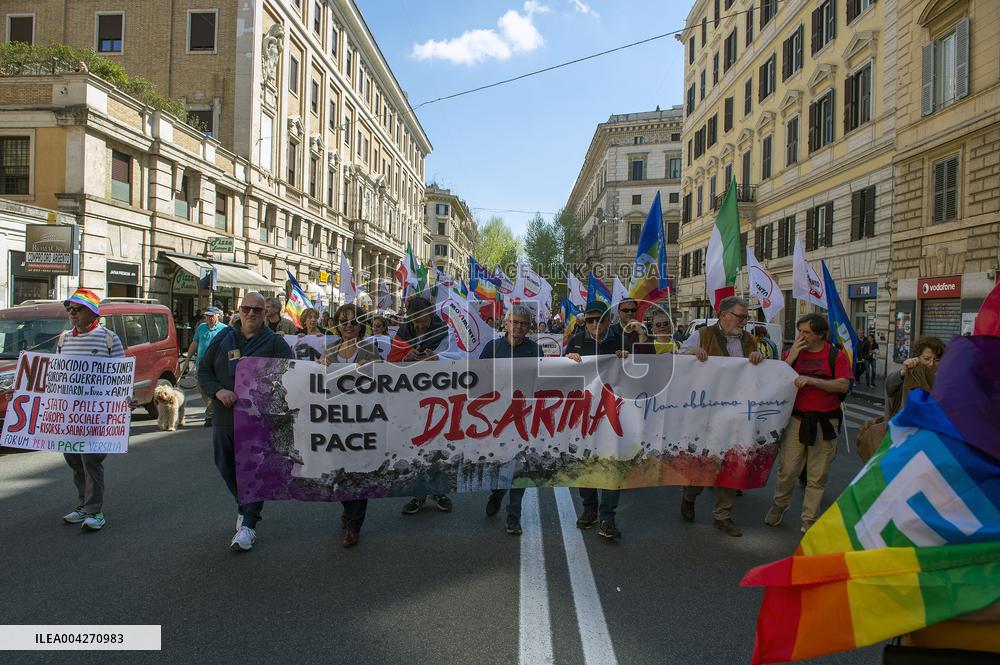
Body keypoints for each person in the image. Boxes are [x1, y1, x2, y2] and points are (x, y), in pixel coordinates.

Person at [198, 292, 294, 552]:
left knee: (252, 469)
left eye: (257, 310)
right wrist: (218, 391)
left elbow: (292, 372)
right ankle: (244, 504)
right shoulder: (223, 337)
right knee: (225, 463)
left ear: (266, 313)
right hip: (225, 415)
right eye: (246, 309)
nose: (251, 314)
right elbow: (204, 371)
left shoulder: (274, 342)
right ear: (239, 311)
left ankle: (249, 524)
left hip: (257, 419)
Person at [678, 296, 765, 537]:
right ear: (724, 314)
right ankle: (689, 494)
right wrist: (693, 353)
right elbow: (679, 358)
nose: (744, 321)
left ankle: (723, 516)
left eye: (746, 317)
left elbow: (760, 370)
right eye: (740, 316)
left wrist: (758, 358)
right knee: (702, 461)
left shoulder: (749, 340)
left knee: (732, 461)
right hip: (707, 411)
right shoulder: (702, 334)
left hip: (737, 413)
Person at [764, 313, 852, 534]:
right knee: (788, 470)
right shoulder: (793, 353)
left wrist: (812, 381)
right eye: (800, 331)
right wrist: (791, 357)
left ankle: (809, 519)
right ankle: (779, 505)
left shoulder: (836, 355)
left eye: (806, 332)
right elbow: (776, 380)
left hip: (825, 422)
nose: (800, 336)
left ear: (821, 334)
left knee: (817, 474)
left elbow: (842, 385)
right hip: (796, 419)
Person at [58, 288, 126, 532]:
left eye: (77, 309)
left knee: (91, 461)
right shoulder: (64, 339)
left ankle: (95, 511)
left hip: (97, 414)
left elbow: (120, 376)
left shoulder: (109, 339)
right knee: (73, 459)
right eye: (70, 309)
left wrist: (125, 401)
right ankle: (82, 505)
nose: (72, 314)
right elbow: (55, 376)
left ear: (92, 313)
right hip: (69, 414)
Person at [565, 300, 629, 540]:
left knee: (612, 463)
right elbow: (561, 374)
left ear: (608, 320)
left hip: (614, 414)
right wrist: (568, 358)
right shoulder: (577, 341)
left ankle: (608, 517)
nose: (595, 324)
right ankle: (589, 509)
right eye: (590, 319)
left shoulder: (621, 340)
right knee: (585, 462)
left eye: (600, 319)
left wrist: (628, 357)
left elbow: (640, 372)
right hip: (583, 413)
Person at [479, 304, 543, 536]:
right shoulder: (491, 347)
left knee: (521, 467)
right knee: (500, 465)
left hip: (523, 418)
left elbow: (543, 381)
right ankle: (497, 492)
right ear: (505, 323)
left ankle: (513, 516)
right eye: (514, 322)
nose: (518, 327)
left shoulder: (536, 350)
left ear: (529, 327)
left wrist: (571, 360)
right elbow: (479, 380)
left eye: (523, 323)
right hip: (495, 420)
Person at [322, 303, 382, 547]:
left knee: (359, 471)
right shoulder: (328, 352)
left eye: (354, 322)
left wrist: (370, 370)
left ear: (361, 326)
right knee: (340, 471)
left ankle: (355, 525)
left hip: (362, 422)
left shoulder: (369, 351)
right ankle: (347, 506)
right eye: (343, 321)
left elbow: (384, 380)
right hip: (334, 423)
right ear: (337, 324)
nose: (348, 326)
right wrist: (317, 369)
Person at [392, 297, 454, 515]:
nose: (420, 326)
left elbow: (458, 356)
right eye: (416, 322)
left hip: (438, 396)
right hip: (411, 397)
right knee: (415, 445)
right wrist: (405, 358)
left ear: (432, 316)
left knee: (437, 444)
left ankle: (439, 491)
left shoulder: (444, 330)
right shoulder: (402, 332)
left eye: (424, 322)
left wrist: (438, 358)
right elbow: (391, 362)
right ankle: (418, 494)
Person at [180, 306, 228, 427]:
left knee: (214, 389)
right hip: (201, 364)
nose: (209, 318)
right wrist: (187, 360)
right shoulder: (201, 328)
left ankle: (210, 415)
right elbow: (195, 343)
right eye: (207, 316)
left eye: (211, 316)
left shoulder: (225, 329)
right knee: (202, 388)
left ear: (218, 316)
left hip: (217, 365)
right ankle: (214, 408)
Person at [884, 335, 944, 418]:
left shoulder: (943, 380)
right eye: (927, 359)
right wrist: (903, 372)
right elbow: (889, 385)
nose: (931, 364)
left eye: (937, 360)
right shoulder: (909, 374)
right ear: (917, 357)